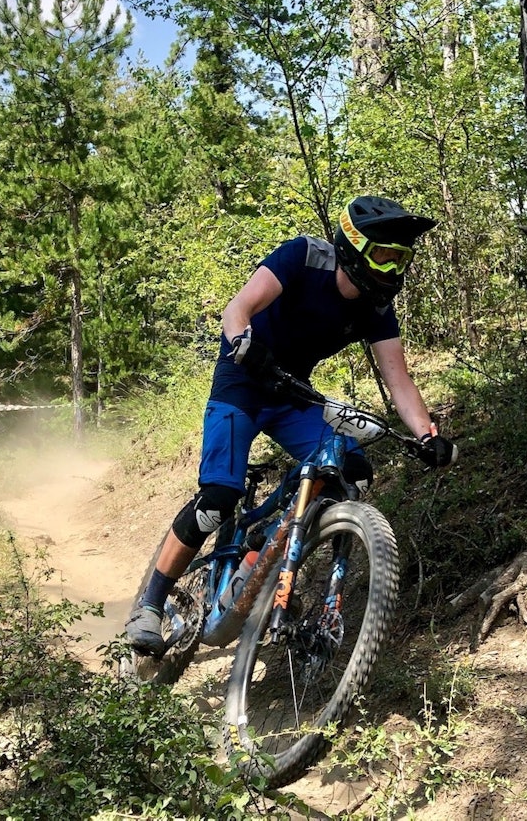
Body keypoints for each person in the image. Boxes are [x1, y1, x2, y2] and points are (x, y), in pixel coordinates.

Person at [126, 195, 458, 657]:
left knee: (351, 469)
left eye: (401, 258)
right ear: (354, 245)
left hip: (291, 393)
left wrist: (427, 435)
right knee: (218, 500)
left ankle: (256, 563)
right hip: (241, 380)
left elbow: (398, 379)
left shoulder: (377, 309)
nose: (392, 268)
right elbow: (236, 308)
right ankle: (150, 603)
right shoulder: (304, 257)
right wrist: (244, 341)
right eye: (385, 254)